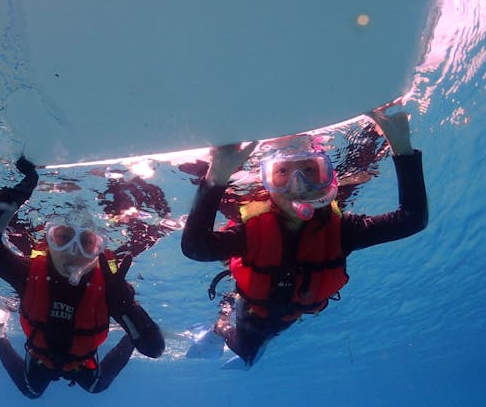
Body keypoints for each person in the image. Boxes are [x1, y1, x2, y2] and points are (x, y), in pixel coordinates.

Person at [181, 110, 428, 368]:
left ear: (326, 178)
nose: (298, 186)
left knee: (259, 345)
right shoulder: (251, 233)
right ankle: (220, 328)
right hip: (254, 312)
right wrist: (217, 174)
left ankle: (240, 331)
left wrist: (401, 145)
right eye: (283, 174)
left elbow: (411, 220)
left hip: (288, 317)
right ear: (268, 184)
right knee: (246, 349)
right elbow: (195, 248)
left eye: (310, 170)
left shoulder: (343, 230)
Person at [0, 156, 165, 398]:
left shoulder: (110, 292)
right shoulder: (28, 275)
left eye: (86, 243)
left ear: (98, 252)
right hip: (41, 357)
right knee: (32, 391)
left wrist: (126, 308)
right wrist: (23, 189)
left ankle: (128, 337)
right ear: (49, 243)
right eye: (63, 238)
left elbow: (153, 348)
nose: (73, 251)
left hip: (81, 362)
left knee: (96, 386)